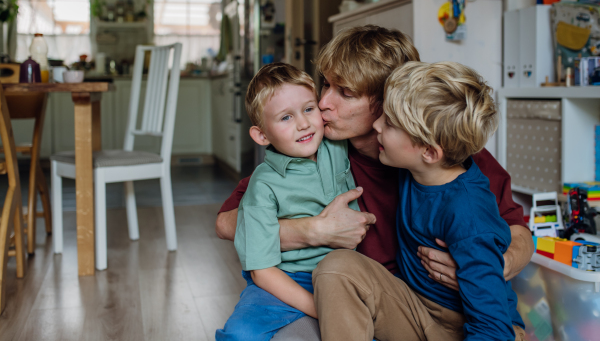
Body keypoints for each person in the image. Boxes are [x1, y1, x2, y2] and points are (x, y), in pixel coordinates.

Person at [216, 25, 534, 336]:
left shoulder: (450, 157)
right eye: (325, 84)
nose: (323, 102)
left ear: (387, 100)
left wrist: (485, 269)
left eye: (346, 92)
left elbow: (518, 231)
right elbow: (228, 223)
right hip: (372, 299)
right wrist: (313, 230)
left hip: (455, 308)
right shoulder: (316, 147)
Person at [312, 61, 526, 341]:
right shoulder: (415, 168)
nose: (375, 125)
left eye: (388, 123)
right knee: (337, 268)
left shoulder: (468, 214)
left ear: (429, 151)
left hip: (467, 327)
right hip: (417, 307)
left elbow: (492, 327)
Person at [215, 63, 361, 340]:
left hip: (343, 274)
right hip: (284, 278)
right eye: (285, 117)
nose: (303, 123)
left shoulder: (337, 145)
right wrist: (318, 308)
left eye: (308, 109)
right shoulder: (263, 184)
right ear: (261, 135)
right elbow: (262, 272)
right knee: (240, 334)